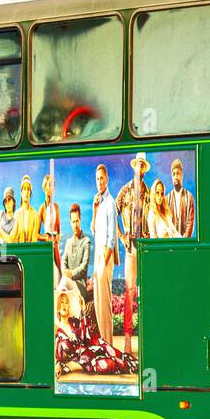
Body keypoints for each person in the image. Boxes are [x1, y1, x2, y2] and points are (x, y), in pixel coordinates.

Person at [115, 153, 150, 357]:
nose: (139, 168)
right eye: (137, 165)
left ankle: (144, 339)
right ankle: (127, 341)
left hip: (145, 247)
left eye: (142, 166)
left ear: (144, 169)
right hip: (130, 248)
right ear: (134, 167)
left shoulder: (149, 192)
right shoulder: (125, 191)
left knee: (144, 291)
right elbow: (114, 214)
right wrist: (121, 237)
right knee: (129, 293)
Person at [91, 163, 118, 348]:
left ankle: (108, 343)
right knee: (98, 300)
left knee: (105, 301)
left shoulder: (111, 203)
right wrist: (93, 209)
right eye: (97, 179)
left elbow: (111, 238)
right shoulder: (99, 203)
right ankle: (103, 342)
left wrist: (104, 264)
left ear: (107, 179)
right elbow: (93, 229)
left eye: (102, 178)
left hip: (105, 255)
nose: (100, 182)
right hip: (98, 254)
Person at [61, 203, 93, 299]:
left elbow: (83, 267)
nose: (75, 225)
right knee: (64, 282)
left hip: (80, 287)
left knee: (64, 281)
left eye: (77, 221)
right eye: (73, 222)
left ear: (80, 220)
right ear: (70, 222)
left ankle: (55, 311)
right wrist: (65, 271)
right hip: (68, 283)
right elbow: (63, 262)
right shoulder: (68, 242)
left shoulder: (86, 241)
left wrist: (70, 274)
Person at [38, 173, 62, 280]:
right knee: (49, 276)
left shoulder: (56, 207)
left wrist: (58, 238)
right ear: (45, 188)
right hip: (47, 248)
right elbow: (36, 234)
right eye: (49, 185)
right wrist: (46, 238)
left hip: (55, 247)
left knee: (58, 275)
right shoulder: (42, 209)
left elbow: (59, 230)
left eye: (53, 185)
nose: (52, 188)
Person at [168, 158, 195, 237]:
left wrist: (183, 241)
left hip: (185, 245)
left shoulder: (189, 197)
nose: (176, 177)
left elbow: (190, 223)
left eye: (178, 173)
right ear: (171, 177)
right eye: (174, 174)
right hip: (171, 244)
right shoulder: (167, 199)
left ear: (182, 175)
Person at [11, 174, 39, 243]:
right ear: (21, 193)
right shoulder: (16, 215)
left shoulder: (35, 215)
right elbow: (14, 239)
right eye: (24, 189)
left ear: (30, 193)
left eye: (28, 189)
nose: (26, 192)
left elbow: (34, 240)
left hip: (31, 252)